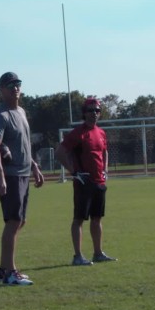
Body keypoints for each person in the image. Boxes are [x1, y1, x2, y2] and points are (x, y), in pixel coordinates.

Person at [0, 71, 44, 286]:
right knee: (13, 222)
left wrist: (35, 167)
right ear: (1, 90)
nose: (16, 88)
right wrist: (0, 177)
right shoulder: (0, 116)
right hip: (11, 176)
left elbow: (25, 145)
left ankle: (3, 269)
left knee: (20, 221)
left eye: (18, 84)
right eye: (10, 85)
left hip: (24, 174)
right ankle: (11, 272)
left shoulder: (21, 112)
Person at [55, 96, 117, 266]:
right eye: (90, 110)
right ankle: (78, 256)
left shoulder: (101, 132)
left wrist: (105, 170)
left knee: (97, 219)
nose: (94, 114)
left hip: (99, 182)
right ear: (84, 113)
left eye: (97, 110)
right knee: (79, 219)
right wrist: (74, 172)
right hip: (84, 183)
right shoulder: (77, 133)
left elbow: (104, 152)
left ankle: (98, 253)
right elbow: (60, 152)